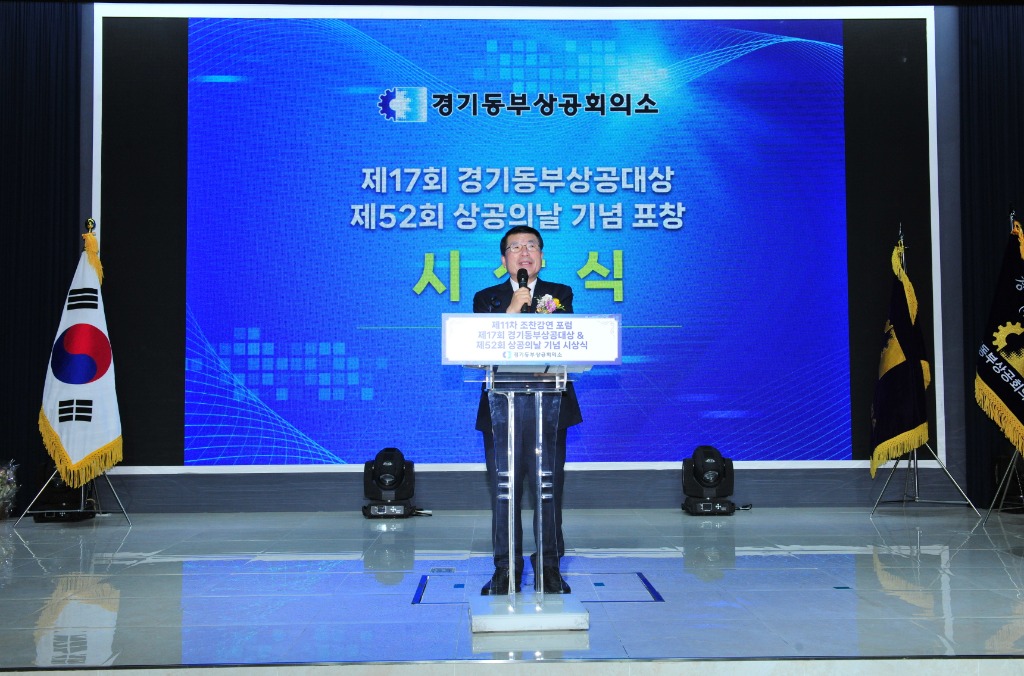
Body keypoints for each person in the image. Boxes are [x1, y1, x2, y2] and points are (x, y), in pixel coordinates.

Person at [472, 225, 582, 595]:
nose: (524, 252)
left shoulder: (560, 294)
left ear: (541, 256)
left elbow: (566, 340)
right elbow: (481, 346)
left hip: (549, 405)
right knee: (504, 492)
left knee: (548, 491)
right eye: (516, 247)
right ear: (504, 259)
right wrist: (512, 310)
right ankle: (506, 569)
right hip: (501, 408)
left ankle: (549, 567)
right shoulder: (486, 298)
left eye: (531, 246)